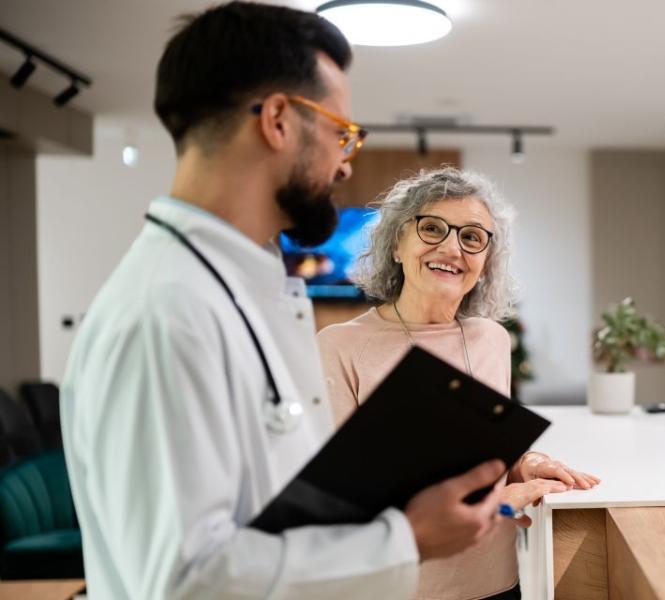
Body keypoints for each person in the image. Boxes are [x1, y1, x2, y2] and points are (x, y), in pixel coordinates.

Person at [61, 3, 508, 597]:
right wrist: (407, 539)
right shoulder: (168, 314)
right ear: (277, 120)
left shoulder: (235, 292)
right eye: (339, 133)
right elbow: (182, 581)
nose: (346, 163)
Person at [318, 167, 600, 599]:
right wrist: (506, 502)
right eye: (432, 228)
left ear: (486, 261)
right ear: (396, 243)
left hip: (498, 582)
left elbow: (483, 456)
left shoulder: (492, 339)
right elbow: (346, 507)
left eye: (472, 237)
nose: (452, 247)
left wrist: (525, 463)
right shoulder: (339, 347)